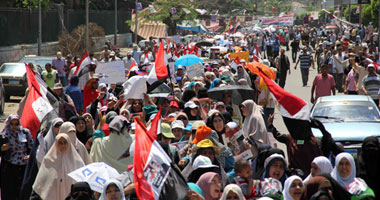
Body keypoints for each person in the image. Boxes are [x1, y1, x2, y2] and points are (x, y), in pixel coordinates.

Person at [32, 134, 85, 200]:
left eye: (65, 143)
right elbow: (42, 182)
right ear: (56, 144)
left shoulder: (77, 161)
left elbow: (82, 181)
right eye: (60, 143)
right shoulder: (48, 160)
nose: (63, 145)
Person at [0, 114, 33, 200]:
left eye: (16, 124)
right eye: (12, 124)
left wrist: (29, 156)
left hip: (23, 165)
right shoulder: (4, 134)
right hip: (9, 166)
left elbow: (32, 147)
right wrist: (3, 149)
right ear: (8, 124)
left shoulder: (25, 132)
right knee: (10, 191)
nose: (14, 126)